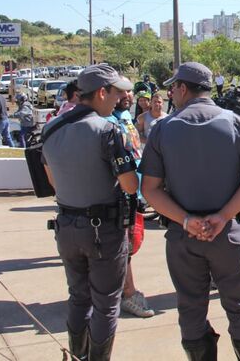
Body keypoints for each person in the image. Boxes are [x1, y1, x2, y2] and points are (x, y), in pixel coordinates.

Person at [139, 62, 240, 360]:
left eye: (173, 88)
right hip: (229, 234)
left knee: (191, 308)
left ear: (184, 88)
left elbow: (151, 190)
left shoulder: (163, 130)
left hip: (183, 237)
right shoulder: (238, 124)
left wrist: (187, 220)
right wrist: (223, 216)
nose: (171, 93)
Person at [41, 64, 138, 361]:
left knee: (79, 298)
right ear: (100, 92)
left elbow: (52, 180)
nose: (119, 99)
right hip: (103, 231)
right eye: (116, 93)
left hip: (67, 224)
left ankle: (76, 355)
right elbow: (130, 185)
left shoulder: (51, 128)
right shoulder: (109, 131)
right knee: (107, 303)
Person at [105, 91, 154, 319]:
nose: (126, 95)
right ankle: (128, 293)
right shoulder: (105, 121)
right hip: (117, 192)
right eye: (119, 91)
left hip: (134, 189)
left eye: (128, 91)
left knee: (130, 242)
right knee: (122, 245)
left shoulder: (125, 116)